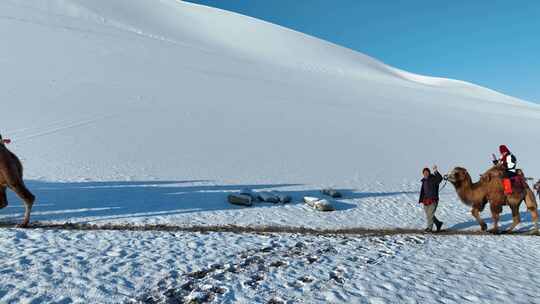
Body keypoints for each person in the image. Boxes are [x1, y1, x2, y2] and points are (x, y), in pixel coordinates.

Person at [419, 165, 444, 232]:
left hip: (433, 200)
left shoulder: (433, 179)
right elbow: (423, 191)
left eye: (427, 172)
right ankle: (438, 223)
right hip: (426, 200)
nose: (426, 174)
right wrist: (422, 199)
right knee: (429, 215)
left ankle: (429, 228)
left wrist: (435, 171)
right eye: (424, 173)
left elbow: (440, 179)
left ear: (429, 173)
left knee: (430, 215)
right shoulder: (424, 181)